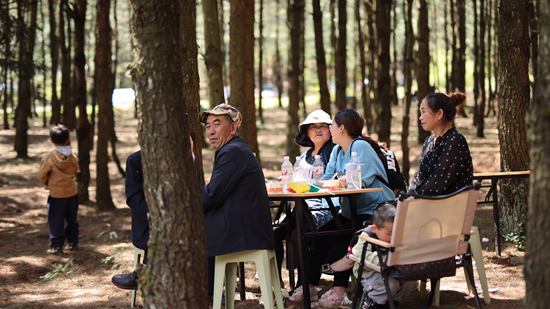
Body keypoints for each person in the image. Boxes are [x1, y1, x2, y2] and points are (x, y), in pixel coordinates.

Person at [290, 109, 395, 307]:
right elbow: (328, 180)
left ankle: (339, 292)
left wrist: (341, 181)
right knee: (321, 234)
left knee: (341, 234)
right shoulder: (338, 151)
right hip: (350, 210)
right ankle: (309, 286)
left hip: (377, 210)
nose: (329, 129)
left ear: (341, 128)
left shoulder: (361, 146)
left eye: (331, 125)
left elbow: (361, 180)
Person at [198, 103, 275, 303]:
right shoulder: (232, 149)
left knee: (186, 231)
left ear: (233, 128)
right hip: (245, 227)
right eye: (207, 126)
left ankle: (204, 295)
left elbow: (212, 195)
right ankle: (208, 294)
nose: (211, 131)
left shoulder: (233, 152)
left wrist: (184, 200)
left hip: (245, 233)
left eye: (217, 124)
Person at [111, 135, 201, 290]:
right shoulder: (136, 160)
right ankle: (147, 274)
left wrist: (189, 157)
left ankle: (208, 288)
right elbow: (133, 198)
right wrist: (158, 218)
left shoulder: (187, 159)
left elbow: (195, 187)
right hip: (148, 224)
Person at [273, 109, 337, 291]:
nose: (318, 130)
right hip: (301, 209)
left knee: (296, 235)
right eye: (313, 127)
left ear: (331, 130)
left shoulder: (335, 151)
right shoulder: (303, 157)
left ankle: (304, 286)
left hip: (325, 210)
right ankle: (276, 285)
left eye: (323, 126)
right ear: (307, 133)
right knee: (273, 232)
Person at [329, 203, 417, 308]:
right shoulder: (367, 236)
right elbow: (359, 252)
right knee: (390, 284)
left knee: (410, 282)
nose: (393, 237)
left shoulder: (395, 236)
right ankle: (374, 302)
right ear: (375, 229)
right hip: (368, 270)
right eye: (389, 233)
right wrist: (378, 260)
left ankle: (392, 301)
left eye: (396, 232)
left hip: (391, 269)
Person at [409, 92, 473, 195]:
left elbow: (439, 180)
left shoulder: (455, 140)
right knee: (384, 208)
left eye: (424, 112)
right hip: (426, 201)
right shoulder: (428, 141)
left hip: (446, 205)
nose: (420, 117)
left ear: (439, 114)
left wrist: (413, 197)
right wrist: (409, 195)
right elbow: (418, 177)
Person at [37, 124, 80, 255]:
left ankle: (56, 246)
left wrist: (48, 183)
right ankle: (73, 242)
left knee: (56, 220)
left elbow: (41, 174)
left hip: (57, 194)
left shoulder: (49, 156)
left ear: (51, 140)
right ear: (67, 140)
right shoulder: (72, 156)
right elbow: (75, 171)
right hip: (72, 192)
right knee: (72, 219)